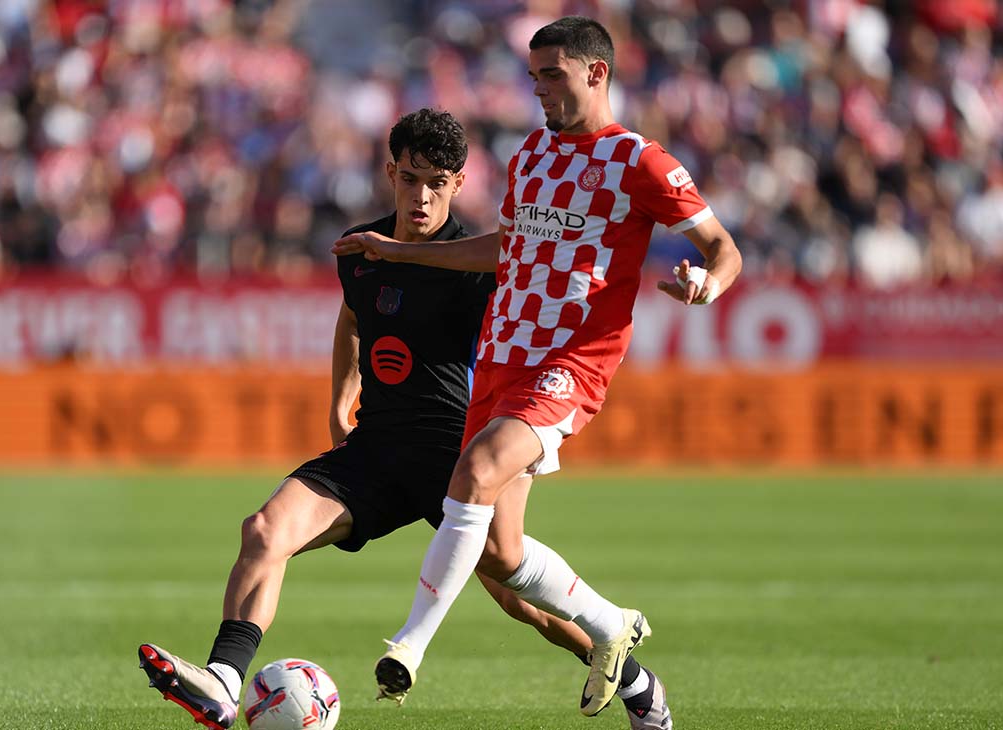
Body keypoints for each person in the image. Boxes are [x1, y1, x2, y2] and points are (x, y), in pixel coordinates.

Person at [137, 108, 671, 730]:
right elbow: (354, 317)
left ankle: (634, 682)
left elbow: (541, 312)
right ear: (391, 172)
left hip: (458, 456)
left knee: (521, 599)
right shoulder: (361, 249)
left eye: (438, 183)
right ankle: (224, 681)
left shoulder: (479, 263)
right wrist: (342, 395)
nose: (423, 196)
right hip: (378, 448)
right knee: (262, 530)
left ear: (459, 183)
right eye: (411, 179)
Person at [334, 15, 743, 720]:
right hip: (500, 360)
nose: (540, 89)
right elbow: (505, 251)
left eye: (552, 74)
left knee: (476, 474)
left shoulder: (638, 161)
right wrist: (398, 253)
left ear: (596, 72)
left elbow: (723, 248)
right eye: (534, 77)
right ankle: (622, 644)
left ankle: (409, 645)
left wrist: (705, 283)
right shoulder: (531, 155)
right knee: (498, 550)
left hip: (569, 361)